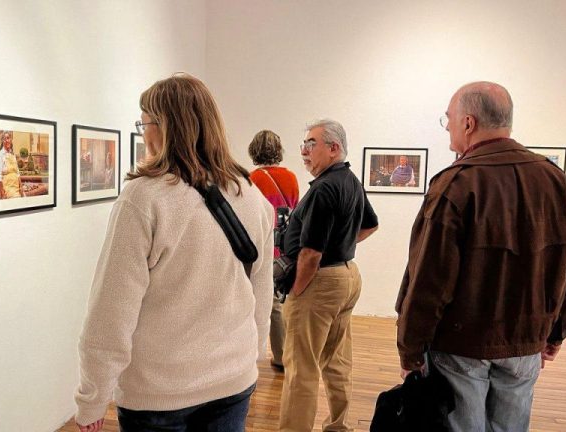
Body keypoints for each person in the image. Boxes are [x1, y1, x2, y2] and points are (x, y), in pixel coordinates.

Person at [74, 73, 274, 432]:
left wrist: (93, 397)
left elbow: (111, 312)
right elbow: (261, 288)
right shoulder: (249, 194)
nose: (143, 132)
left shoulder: (143, 199)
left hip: (159, 393)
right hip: (233, 380)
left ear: (164, 127)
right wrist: (253, 352)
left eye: (145, 122)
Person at [395, 81, 566, 432]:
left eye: (448, 119)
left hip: (460, 346)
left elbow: (428, 280)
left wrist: (410, 350)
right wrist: (557, 333)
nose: (448, 127)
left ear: (468, 123)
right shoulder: (556, 181)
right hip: (525, 342)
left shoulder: (455, 184)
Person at [279, 119, 379, 432]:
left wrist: (297, 291)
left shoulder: (324, 188)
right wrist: (343, 245)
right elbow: (371, 224)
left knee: (301, 367)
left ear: (333, 148)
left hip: (320, 282)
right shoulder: (349, 179)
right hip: (347, 276)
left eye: (311, 144)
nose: (303, 152)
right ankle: (338, 424)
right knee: (336, 359)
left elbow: (310, 253)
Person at [247, 129, 300, 372]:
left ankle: (256, 354)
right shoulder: (291, 178)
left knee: (256, 303)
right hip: (284, 251)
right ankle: (281, 355)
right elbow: (295, 211)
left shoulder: (251, 180)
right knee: (278, 303)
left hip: (259, 248)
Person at [0, 130, 23, 199]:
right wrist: (2, 191)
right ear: (2, 142)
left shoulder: (12, 154)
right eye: (4, 139)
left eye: (8, 138)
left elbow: (17, 172)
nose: (7, 140)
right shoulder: (0, 155)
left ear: (11, 139)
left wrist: (21, 187)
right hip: (7, 187)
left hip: (16, 186)